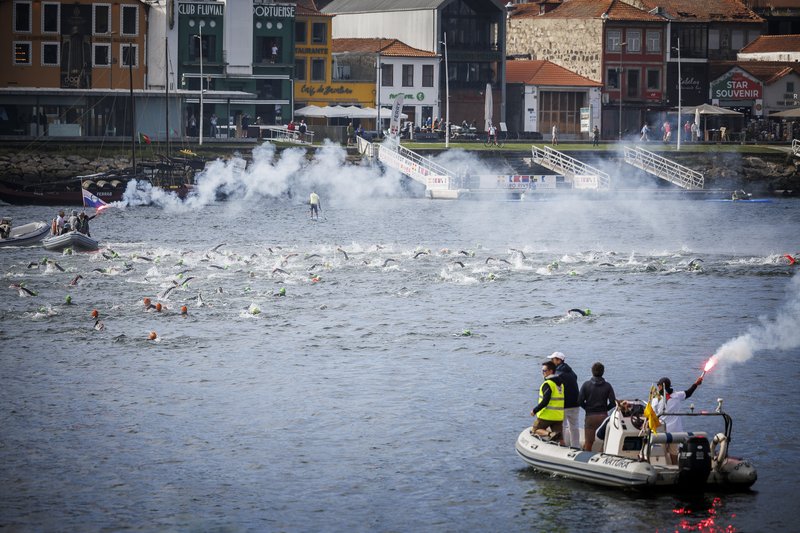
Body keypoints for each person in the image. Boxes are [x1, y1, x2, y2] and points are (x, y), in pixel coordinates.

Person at [578, 362, 616, 451]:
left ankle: (586, 458)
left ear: (592, 371)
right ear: (603, 372)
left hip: (590, 416)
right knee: (605, 441)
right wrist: (605, 409)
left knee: (589, 442)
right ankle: (602, 456)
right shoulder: (607, 386)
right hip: (603, 416)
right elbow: (613, 403)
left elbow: (579, 401)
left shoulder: (586, 385)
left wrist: (587, 408)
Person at [530, 360, 565, 443]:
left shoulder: (547, 384)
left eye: (544, 371)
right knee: (559, 437)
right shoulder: (560, 384)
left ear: (551, 371)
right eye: (542, 371)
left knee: (535, 430)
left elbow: (545, 401)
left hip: (546, 416)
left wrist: (534, 410)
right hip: (558, 416)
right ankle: (563, 450)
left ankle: (550, 434)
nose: (543, 373)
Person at [550, 352, 579, 447]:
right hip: (575, 404)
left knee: (562, 426)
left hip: (564, 405)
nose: (551, 361)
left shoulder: (557, 373)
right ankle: (576, 446)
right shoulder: (572, 372)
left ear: (559, 360)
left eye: (553, 359)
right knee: (574, 427)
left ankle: (562, 446)